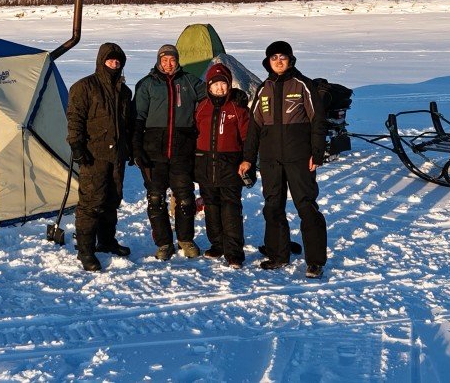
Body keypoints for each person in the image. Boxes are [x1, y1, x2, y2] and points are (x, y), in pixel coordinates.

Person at [244, 40, 328, 278]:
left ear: (290, 59)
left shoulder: (303, 85)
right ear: (268, 62)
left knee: (306, 207)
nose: (278, 61)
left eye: (282, 57)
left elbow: (318, 121)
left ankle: (315, 261)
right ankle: (278, 254)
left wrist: (317, 152)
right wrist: (248, 158)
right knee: (272, 207)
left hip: (299, 158)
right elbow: (254, 128)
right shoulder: (264, 88)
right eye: (274, 58)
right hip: (271, 159)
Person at [132, 44, 206, 259]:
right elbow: (137, 118)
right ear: (158, 61)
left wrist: (234, 96)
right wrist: (137, 148)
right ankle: (164, 243)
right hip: (154, 151)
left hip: (182, 149)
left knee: (185, 198)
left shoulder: (189, 81)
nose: (168, 64)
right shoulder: (147, 85)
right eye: (164, 60)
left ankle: (185, 239)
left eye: (172, 60)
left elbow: (211, 94)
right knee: (155, 198)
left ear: (178, 60)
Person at [65, 42, 134, 272]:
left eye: (118, 61)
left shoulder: (124, 92)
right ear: (101, 61)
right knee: (91, 202)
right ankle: (85, 249)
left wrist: (130, 148)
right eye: (110, 60)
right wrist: (76, 144)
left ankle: (106, 241)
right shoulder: (84, 87)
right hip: (93, 154)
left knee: (112, 200)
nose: (114, 64)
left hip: (116, 156)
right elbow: (75, 118)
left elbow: (128, 125)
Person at [193, 62, 252, 268]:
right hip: (206, 163)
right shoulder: (201, 107)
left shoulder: (238, 108)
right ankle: (217, 244)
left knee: (230, 208)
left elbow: (248, 138)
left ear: (229, 85)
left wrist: (248, 160)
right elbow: (194, 133)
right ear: (208, 86)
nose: (219, 88)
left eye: (223, 84)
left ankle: (234, 252)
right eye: (215, 84)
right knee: (211, 206)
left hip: (230, 164)